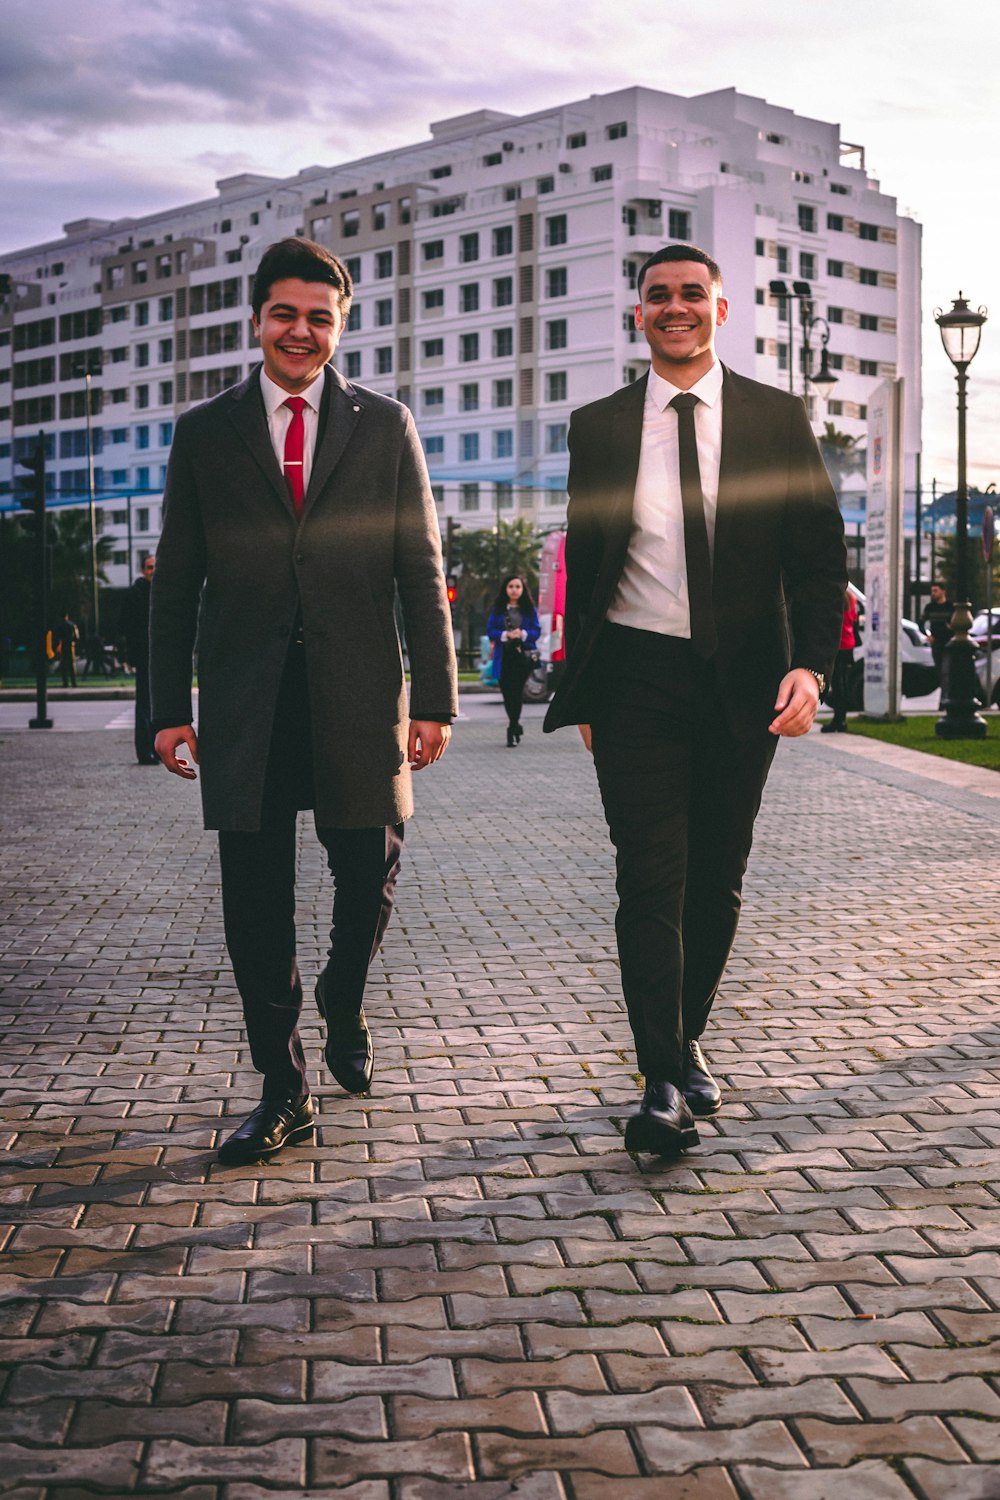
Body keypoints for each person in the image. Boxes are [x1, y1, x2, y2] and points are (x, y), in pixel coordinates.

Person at [150, 237, 458, 1166]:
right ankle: (282, 1089)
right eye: (284, 313)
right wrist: (167, 707)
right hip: (248, 703)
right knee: (255, 900)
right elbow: (178, 582)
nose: (301, 330)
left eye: (320, 316)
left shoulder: (384, 424)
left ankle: (343, 994)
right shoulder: (206, 432)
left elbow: (422, 568)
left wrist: (435, 698)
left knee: (369, 868)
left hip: (359, 694)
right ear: (256, 320)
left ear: (341, 325)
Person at [544, 243, 846, 1156]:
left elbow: (818, 554)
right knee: (651, 876)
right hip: (634, 677)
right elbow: (588, 564)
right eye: (656, 296)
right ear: (639, 313)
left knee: (715, 876)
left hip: (741, 681)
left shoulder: (774, 417)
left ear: (722, 309)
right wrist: (584, 682)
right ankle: (663, 1080)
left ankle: (683, 1041)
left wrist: (812, 667)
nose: (672, 307)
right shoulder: (598, 427)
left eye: (690, 294)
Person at [486, 575, 541, 746]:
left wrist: (522, 634)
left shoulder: (529, 609)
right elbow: (490, 631)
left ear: (523, 590)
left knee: (516, 693)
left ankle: (511, 729)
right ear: (505, 589)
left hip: (522, 658)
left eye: (518, 586)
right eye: (511, 586)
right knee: (506, 693)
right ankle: (516, 724)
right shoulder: (498, 609)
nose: (514, 589)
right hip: (504, 657)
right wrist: (506, 635)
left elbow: (536, 631)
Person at [121, 554, 158, 761]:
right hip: (145, 655)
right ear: (143, 570)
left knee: (154, 704)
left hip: (154, 656)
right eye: (150, 567)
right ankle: (145, 751)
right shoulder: (137, 594)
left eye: (155, 567)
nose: (153, 571)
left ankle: (153, 748)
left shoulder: (155, 592)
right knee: (145, 703)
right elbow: (126, 625)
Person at [820, 588, 859, 733]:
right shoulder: (852, 598)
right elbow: (854, 619)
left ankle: (838, 719)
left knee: (837, 684)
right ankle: (841, 719)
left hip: (838, 644)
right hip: (848, 643)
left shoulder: (835, 597)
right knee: (842, 682)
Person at [921, 581, 953, 673]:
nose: (933, 593)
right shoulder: (930, 607)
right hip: (936, 642)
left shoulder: (950, 607)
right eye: (932, 591)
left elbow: (955, 623)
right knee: (938, 667)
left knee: (948, 667)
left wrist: (952, 627)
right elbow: (921, 623)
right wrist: (928, 635)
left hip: (948, 641)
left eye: (935, 591)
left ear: (943, 591)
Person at [55, 612, 79, 687]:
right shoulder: (72, 625)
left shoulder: (60, 626)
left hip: (63, 646)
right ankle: (74, 682)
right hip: (71, 646)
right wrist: (73, 642)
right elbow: (77, 637)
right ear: (67, 616)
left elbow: (57, 637)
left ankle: (65, 683)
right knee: (72, 664)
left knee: (63, 665)